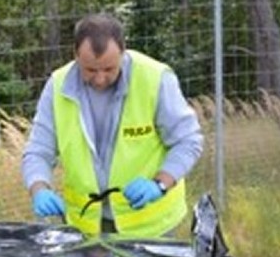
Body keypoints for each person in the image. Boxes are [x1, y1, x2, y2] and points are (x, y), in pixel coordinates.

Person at [21, 13, 203, 237]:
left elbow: (188, 141)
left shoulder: (155, 79)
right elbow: (38, 151)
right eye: (90, 70)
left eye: (109, 69)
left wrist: (160, 184)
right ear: (75, 55)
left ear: (123, 53)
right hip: (87, 228)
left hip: (151, 226)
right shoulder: (57, 86)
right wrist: (39, 188)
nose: (99, 79)